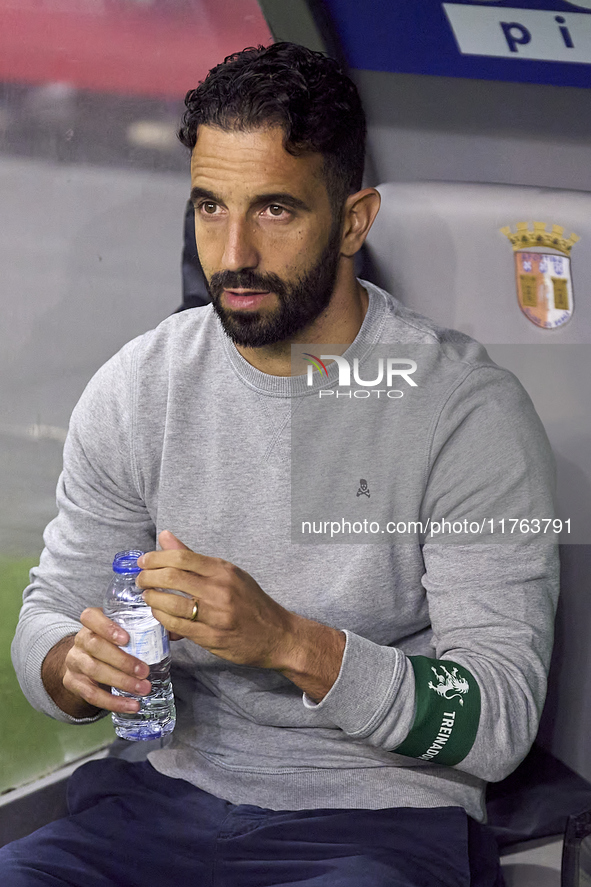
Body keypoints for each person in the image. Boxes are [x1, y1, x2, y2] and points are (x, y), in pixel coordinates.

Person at [3, 42, 558, 886]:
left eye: (274, 210)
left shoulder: (465, 413)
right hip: (154, 803)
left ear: (353, 219)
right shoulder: (139, 386)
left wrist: (290, 641)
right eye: (208, 207)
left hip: (378, 823)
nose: (231, 254)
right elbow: (47, 615)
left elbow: (499, 718)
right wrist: (74, 671)